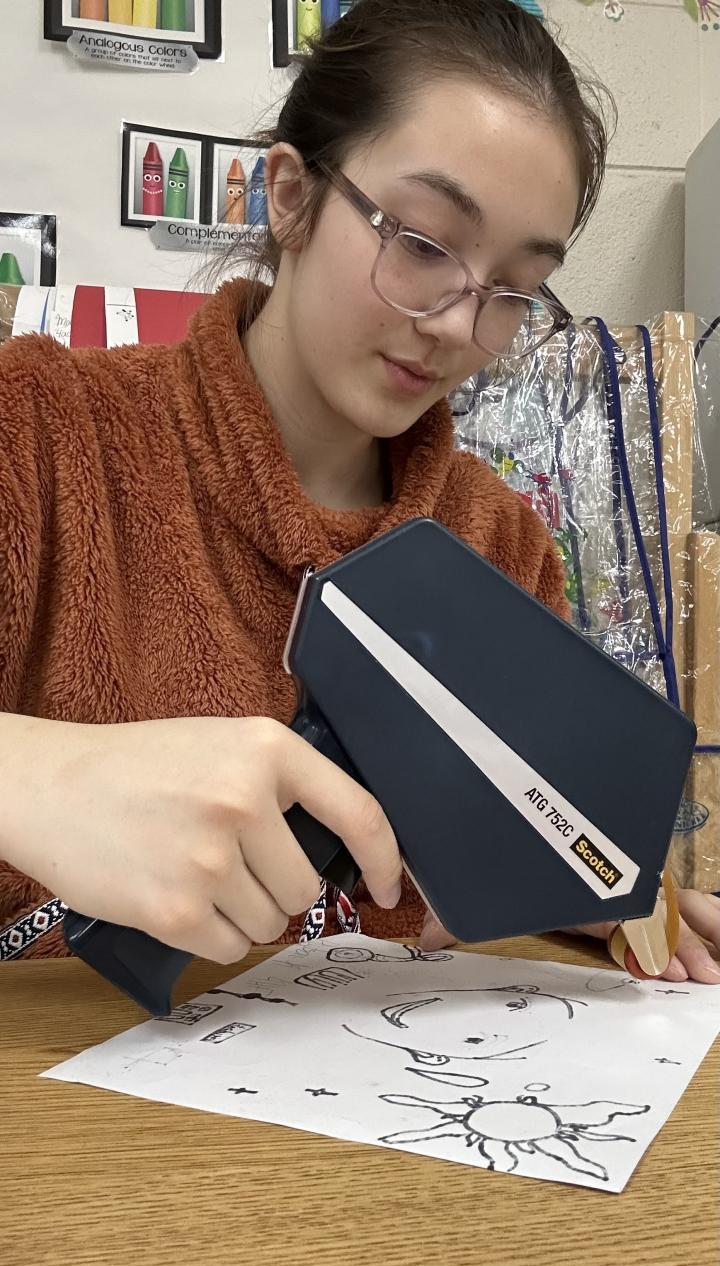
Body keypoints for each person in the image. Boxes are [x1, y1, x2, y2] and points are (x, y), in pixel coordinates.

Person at [1, 0, 718, 980]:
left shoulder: (499, 545)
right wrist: (40, 775)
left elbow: (512, 849)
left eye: (514, 287)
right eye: (423, 242)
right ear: (290, 195)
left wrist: (565, 883)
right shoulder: (41, 431)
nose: (459, 325)